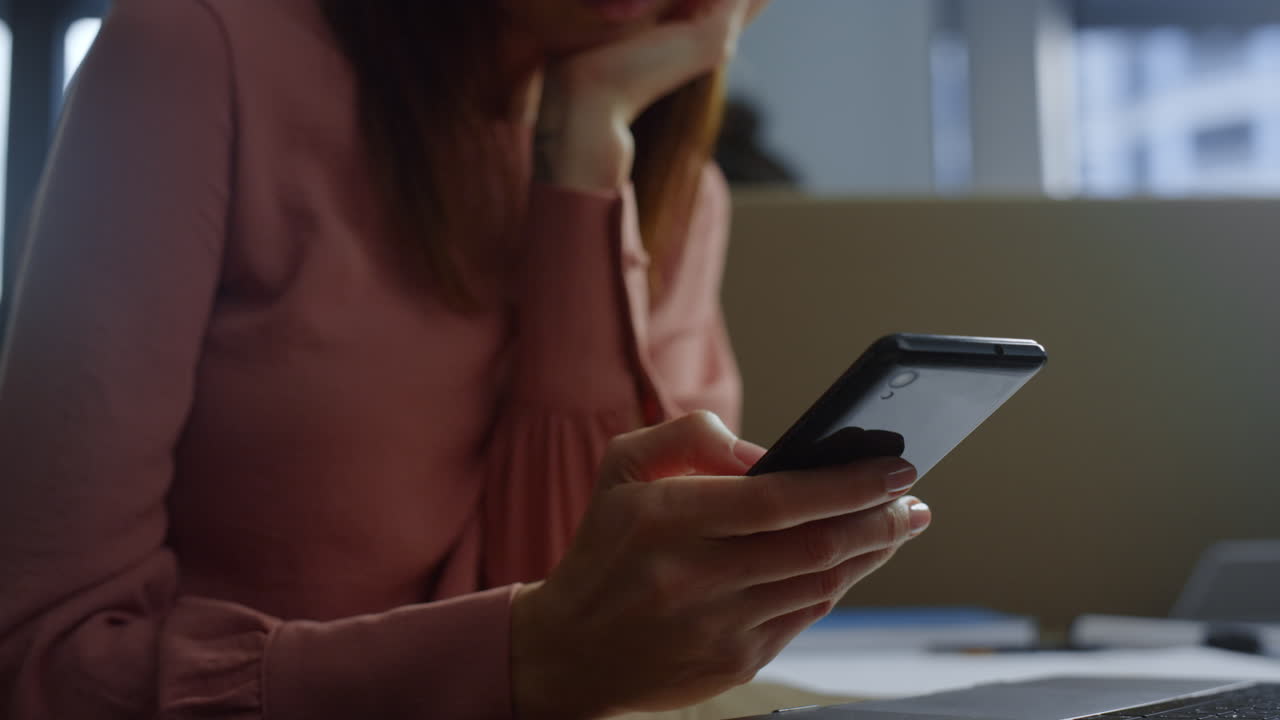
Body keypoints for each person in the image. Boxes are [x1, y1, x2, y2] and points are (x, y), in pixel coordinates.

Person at [0, 0, 932, 717]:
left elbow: (576, 644)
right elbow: (40, 662)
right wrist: (534, 654)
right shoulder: (194, 56)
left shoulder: (675, 188)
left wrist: (584, 162)